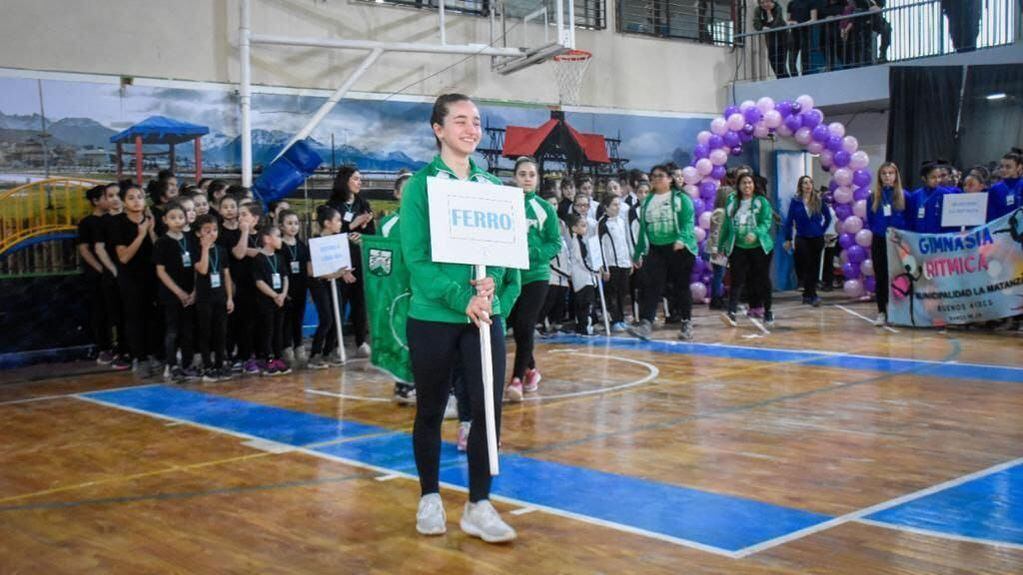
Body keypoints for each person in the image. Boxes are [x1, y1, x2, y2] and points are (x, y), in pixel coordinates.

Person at [400, 93, 521, 543]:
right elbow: (416, 258)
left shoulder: (493, 189)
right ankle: (429, 495)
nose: (471, 129)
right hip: (433, 317)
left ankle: (479, 505)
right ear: (438, 129)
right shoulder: (420, 187)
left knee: (487, 411)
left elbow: (511, 261)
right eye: (460, 121)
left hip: (482, 320)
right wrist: (459, 298)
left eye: (476, 122)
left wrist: (497, 291)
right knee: (431, 409)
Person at [505, 157, 562, 402]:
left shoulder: (545, 208)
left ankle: (517, 379)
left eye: (531, 175)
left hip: (536, 276)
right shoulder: (503, 205)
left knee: (525, 325)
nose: (527, 179)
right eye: (522, 174)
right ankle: (531, 370)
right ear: (515, 177)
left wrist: (531, 255)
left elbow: (555, 243)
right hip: (509, 276)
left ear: (537, 180)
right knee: (513, 324)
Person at [628, 165, 697, 340]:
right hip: (656, 250)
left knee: (681, 287)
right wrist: (637, 254)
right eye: (653, 176)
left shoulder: (681, 199)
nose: (656, 179)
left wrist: (681, 238)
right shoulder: (648, 201)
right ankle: (645, 324)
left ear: (670, 179)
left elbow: (688, 223)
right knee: (651, 286)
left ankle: (686, 322)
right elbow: (643, 229)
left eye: (661, 176)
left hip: (679, 248)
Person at [326, 166, 374, 358]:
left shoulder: (363, 204)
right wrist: (352, 225)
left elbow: (370, 232)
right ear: (345, 180)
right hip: (339, 261)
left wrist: (363, 236)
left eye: (360, 179)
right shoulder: (332, 205)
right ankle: (336, 343)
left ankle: (361, 341)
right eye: (355, 178)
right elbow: (330, 233)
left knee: (359, 303)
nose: (359, 182)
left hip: (359, 258)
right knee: (339, 302)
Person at [112, 182, 160, 375]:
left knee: (153, 317)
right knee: (135, 318)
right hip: (131, 278)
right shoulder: (118, 223)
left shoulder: (151, 219)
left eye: (139, 197)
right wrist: (140, 236)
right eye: (131, 198)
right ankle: (139, 358)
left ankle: (153, 354)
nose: (136, 201)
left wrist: (150, 231)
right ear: (123, 202)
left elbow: (159, 252)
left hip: (152, 275)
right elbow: (123, 257)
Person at [378, 172, 417, 403]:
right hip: (398, 292)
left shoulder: (429, 222)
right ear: (396, 194)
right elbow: (381, 260)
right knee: (401, 336)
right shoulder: (387, 225)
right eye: (405, 189)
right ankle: (403, 384)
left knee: (423, 337)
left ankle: (421, 382)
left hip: (423, 290)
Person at [718, 173, 775, 327]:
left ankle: (768, 311)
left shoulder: (761, 201)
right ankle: (732, 313)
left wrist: (755, 233)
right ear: (738, 185)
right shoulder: (731, 201)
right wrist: (721, 245)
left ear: (754, 185)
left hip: (760, 248)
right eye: (744, 183)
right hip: (738, 247)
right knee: (736, 280)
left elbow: (766, 222)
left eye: (749, 182)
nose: (747, 186)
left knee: (763, 279)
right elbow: (725, 225)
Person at [306, 206, 356, 370]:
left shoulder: (338, 242)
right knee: (326, 319)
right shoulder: (314, 243)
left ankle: (328, 352)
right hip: (320, 284)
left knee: (338, 317)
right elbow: (312, 271)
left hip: (335, 283)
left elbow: (341, 264)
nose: (341, 223)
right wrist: (334, 274)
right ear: (327, 223)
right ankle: (314, 354)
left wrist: (344, 273)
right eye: (338, 220)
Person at [94, 183, 131, 370]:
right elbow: (99, 249)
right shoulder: (103, 222)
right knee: (118, 314)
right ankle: (121, 351)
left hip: (134, 274)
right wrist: (113, 269)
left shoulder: (132, 218)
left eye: (118, 195)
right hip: (114, 275)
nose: (115, 198)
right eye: (110, 195)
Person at [193, 213, 234, 382]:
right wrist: (204, 248)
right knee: (205, 331)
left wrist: (230, 297)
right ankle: (207, 364)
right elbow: (202, 270)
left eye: (215, 230)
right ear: (198, 233)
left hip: (220, 296)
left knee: (221, 331)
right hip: (204, 297)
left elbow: (226, 275)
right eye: (207, 230)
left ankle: (219, 363)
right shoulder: (195, 249)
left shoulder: (221, 250)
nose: (212, 233)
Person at [867, 162, 908, 326]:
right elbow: (870, 220)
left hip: (898, 241)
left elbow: (909, 219)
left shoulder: (905, 195)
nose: (887, 176)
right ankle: (881, 312)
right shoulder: (872, 197)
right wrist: (880, 232)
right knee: (881, 277)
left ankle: (900, 312)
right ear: (879, 177)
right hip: (879, 241)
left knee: (900, 277)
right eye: (884, 173)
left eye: (890, 173)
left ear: (895, 175)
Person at [78, 185, 114, 364]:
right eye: (107, 197)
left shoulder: (114, 219)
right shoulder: (87, 222)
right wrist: (101, 269)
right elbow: (84, 250)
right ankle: (104, 348)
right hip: (97, 274)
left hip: (115, 272)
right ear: (96, 201)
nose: (112, 200)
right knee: (100, 312)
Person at [783, 176, 831, 306]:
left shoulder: (819, 200)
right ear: (800, 186)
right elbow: (789, 221)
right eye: (805, 183)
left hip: (817, 237)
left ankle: (811, 294)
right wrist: (787, 238)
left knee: (814, 266)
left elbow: (828, 217)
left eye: (810, 182)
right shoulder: (795, 202)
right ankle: (807, 292)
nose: (808, 185)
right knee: (805, 265)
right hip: (802, 237)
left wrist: (822, 229)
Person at [253, 225, 291, 376]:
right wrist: (274, 296)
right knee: (267, 329)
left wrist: (282, 294)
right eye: (278, 236)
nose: (281, 239)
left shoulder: (279, 258)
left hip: (280, 300)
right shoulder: (258, 259)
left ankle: (278, 357)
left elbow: (285, 277)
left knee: (278, 329)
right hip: (266, 301)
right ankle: (267, 358)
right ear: (267, 239)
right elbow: (259, 281)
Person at [233, 201, 264, 374]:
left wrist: (253, 251)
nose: (240, 218)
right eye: (240, 215)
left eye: (244, 215)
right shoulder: (235, 234)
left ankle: (261, 354)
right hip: (243, 285)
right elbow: (238, 253)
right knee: (245, 323)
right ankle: (245, 357)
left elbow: (267, 252)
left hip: (262, 284)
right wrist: (244, 232)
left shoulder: (263, 234)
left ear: (255, 218)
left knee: (261, 322)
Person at [598, 194, 634, 332]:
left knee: (622, 292)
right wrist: (604, 268)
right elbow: (601, 247)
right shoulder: (602, 224)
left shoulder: (621, 221)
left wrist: (630, 261)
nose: (617, 207)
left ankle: (621, 318)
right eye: (614, 204)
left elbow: (626, 241)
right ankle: (615, 320)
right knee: (612, 293)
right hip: (612, 265)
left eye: (619, 204)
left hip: (624, 263)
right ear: (606, 207)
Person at [279, 210, 309, 366]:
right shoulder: (279, 246)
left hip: (301, 288)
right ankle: (286, 347)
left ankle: (299, 346)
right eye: (289, 223)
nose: (293, 227)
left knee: (298, 318)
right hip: (285, 289)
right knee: (286, 320)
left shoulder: (302, 246)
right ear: (281, 227)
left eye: (296, 223)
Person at [907, 162, 961, 234]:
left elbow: (952, 222)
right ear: (924, 178)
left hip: (938, 239)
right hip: (919, 238)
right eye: (933, 177)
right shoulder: (915, 196)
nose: (937, 180)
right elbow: (911, 219)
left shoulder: (946, 195)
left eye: (939, 177)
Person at [754, 0, 789, 78]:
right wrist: (762, 27)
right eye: (762, 3)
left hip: (782, 35)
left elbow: (777, 21)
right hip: (770, 37)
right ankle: (781, 78)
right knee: (772, 59)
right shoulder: (758, 10)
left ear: (771, 1)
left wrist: (769, 12)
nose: (764, 4)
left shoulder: (777, 7)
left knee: (781, 60)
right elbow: (756, 23)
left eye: (766, 2)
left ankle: (785, 79)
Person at [987, 149, 1022, 222]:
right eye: (1001, 166)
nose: (1003, 170)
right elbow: (991, 215)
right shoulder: (995, 189)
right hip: (1000, 231)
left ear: (1019, 167)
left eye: (1008, 167)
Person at [787, 0, 819, 75]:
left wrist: (800, 24)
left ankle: (805, 81)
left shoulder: (811, 2)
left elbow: (814, 19)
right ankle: (795, 81)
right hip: (794, 34)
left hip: (806, 33)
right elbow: (788, 20)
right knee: (791, 61)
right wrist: (790, 22)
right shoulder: (791, 3)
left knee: (805, 61)